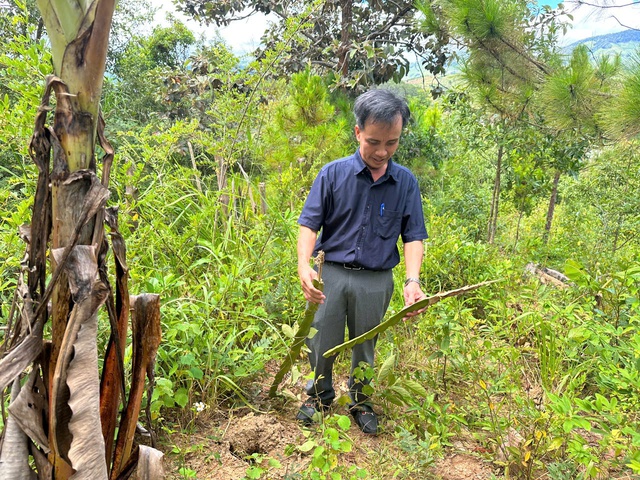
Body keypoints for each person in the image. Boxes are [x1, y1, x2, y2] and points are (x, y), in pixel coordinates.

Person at [296, 88, 428, 434]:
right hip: (332, 274)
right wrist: (303, 264)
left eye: (392, 143)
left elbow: (414, 235)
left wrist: (413, 280)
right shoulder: (332, 174)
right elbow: (309, 223)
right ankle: (320, 396)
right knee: (321, 338)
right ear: (357, 132)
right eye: (373, 142)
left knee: (365, 344)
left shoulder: (405, 183)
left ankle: (360, 400)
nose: (382, 152)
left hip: (376, 279)